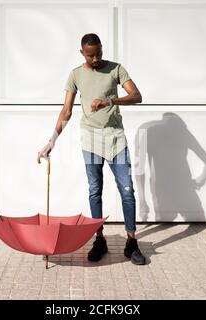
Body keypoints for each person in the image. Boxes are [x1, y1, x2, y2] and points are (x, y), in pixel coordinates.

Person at [38, 33, 146, 265]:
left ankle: (131, 242)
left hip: (116, 138)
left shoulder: (116, 69)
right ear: (82, 53)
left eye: (98, 53)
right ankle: (99, 239)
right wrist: (52, 140)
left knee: (126, 189)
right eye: (90, 55)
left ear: (102, 49)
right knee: (95, 190)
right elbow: (66, 111)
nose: (95, 58)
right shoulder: (76, 74)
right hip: (91, 140)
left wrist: (110, 101)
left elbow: (136, 96)